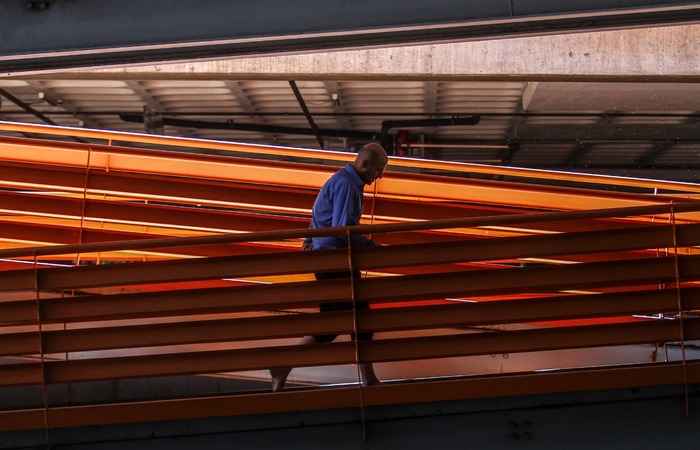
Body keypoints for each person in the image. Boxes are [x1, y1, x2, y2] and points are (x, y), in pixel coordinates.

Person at [270, 142, 388, 392]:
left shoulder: (340, 180)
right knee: (356, 319)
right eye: (379, 170)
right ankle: (367, 378)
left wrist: (311, 240)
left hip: (329, 260)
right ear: (365, 165)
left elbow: (319, 217)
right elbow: (342, 228)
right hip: (335, 261)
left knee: (343, 321)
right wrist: (369, 245)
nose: (380, 176)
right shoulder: (348, 185)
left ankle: (285, 365)